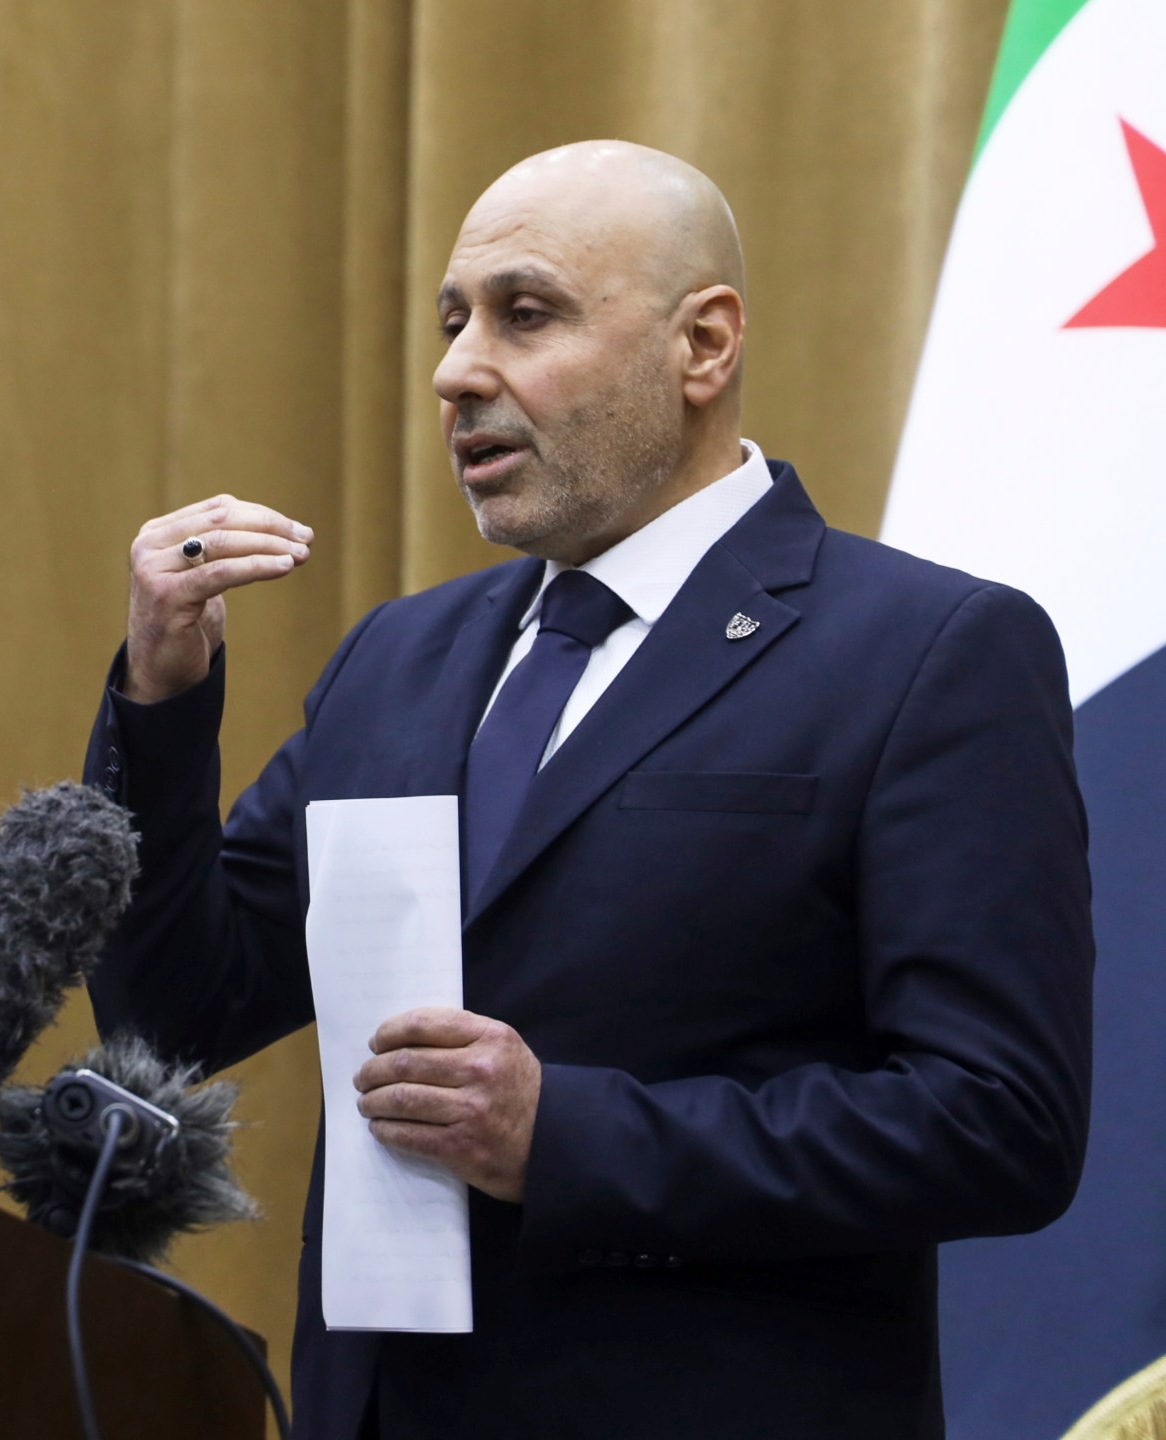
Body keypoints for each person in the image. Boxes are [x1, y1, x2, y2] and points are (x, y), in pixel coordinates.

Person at [82, 141, 1092, 1439]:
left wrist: (567, 1137)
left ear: (703, 346)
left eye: (525, 313)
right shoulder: (399, 660)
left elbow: (1001, 1122)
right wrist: (163, 705)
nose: (456, 372)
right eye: (452, 322)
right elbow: (175, 1013)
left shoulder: (926, 653)